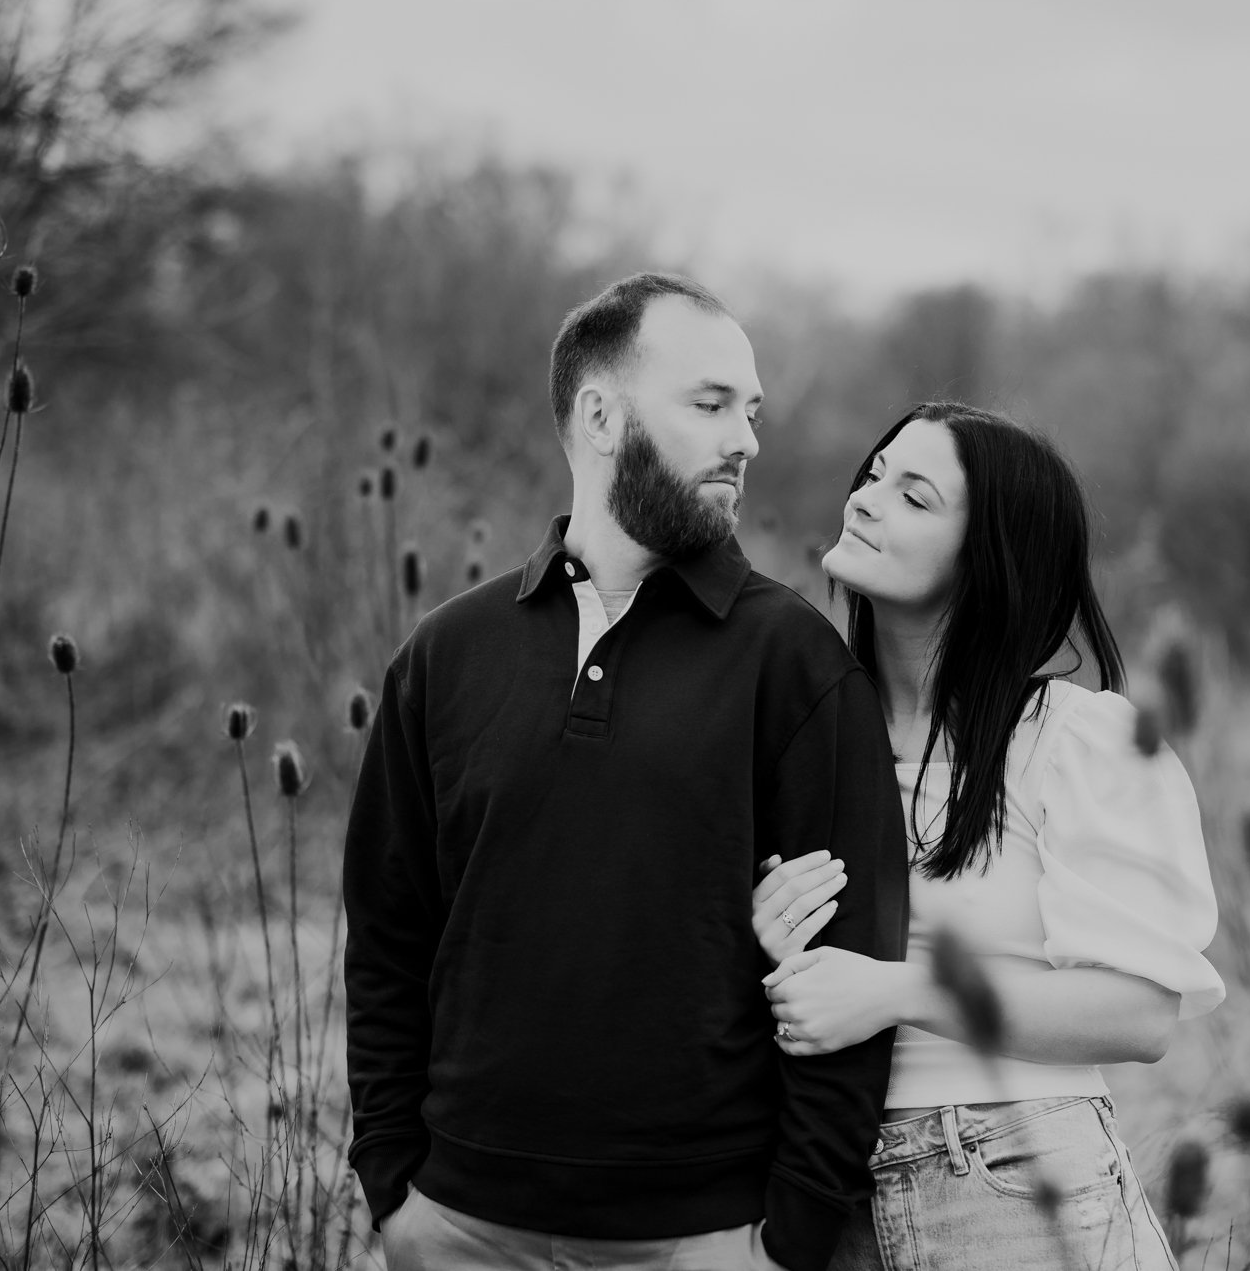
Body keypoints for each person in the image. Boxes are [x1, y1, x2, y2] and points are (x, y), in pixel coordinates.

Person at [342, 272, 908, 1271]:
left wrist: (789, 1239)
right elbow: (389, 941)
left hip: (704, 1237)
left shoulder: (794, 660)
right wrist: (395, 1188)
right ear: (601, 415)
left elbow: (850, 973)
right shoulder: (445, 655)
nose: (746, 439)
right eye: (709, 404)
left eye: (752, 410)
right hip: (460, 1228)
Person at [751, 402, 1224, 1270]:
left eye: (914, 496)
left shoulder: (1072, 741)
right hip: (821, 1190)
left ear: (988, 563)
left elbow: (1140, 1010)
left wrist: (896, 991)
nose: (865, 499)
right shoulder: (801, 735)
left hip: (1013, 1184)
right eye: (874, 474)